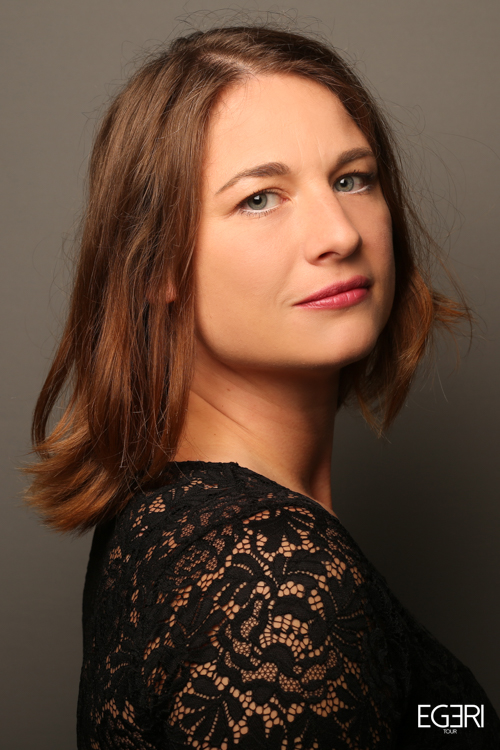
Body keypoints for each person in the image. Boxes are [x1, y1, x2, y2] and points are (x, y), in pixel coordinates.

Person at [25, 24, 499, 749]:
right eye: (260, 198)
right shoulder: (275, 585)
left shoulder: (176, 523)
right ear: (157, 266)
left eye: (352, 178)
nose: (339, 233)